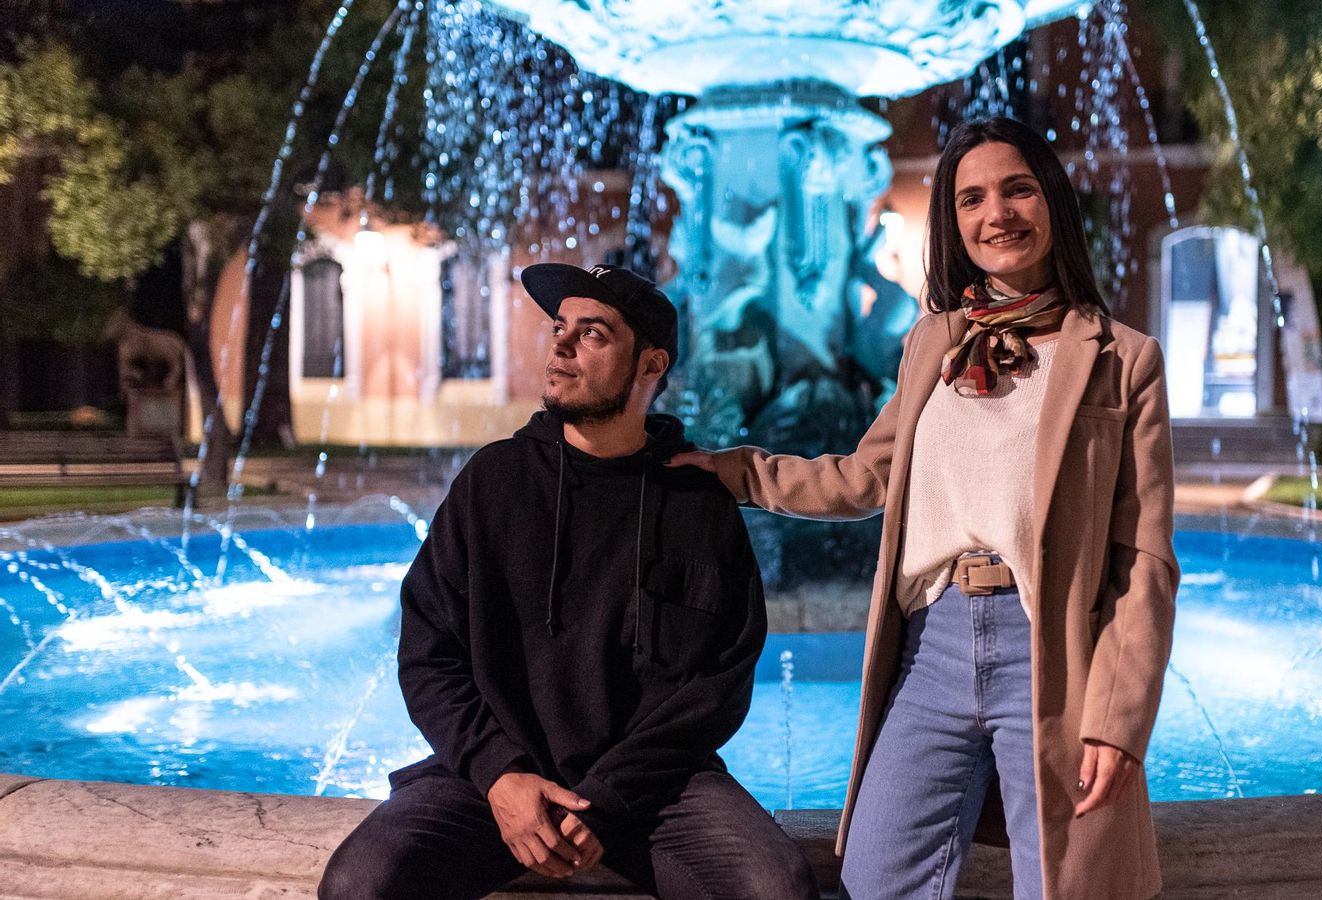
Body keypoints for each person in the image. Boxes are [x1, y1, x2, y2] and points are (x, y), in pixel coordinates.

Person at [672, 117, 1179, 900]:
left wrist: (1120, 719)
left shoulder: (1123, 360)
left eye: (1017, 189)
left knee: (1064, 885)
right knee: (878, 878)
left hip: (1049, 651)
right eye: (972, 199)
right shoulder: (931, 345)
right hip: (930, 650)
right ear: (954, 223)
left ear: (1051, 204)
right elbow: (863, 478)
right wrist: (736, 474)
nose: (996, 214)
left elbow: (1143, 559)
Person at [320, 263, 818, 900]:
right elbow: (427, 654)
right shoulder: (492, 483)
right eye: (560, 328)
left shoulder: (698, 502)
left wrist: (609, 800)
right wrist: (498, 774)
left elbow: (716, 685)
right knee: (360, 882)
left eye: (593, 334)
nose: (559, 344)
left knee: (777, 886)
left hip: (653, 791)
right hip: (492, 780)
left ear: (650, 365)